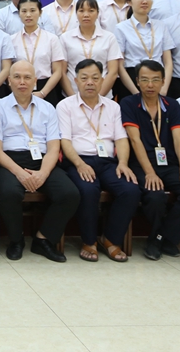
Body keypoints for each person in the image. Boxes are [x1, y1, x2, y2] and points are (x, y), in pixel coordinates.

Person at [0, 60, 78, 262]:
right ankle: (16, 240)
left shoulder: (48, 108)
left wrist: (43, 173)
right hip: (9, 161)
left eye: (27, 77)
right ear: (9, 80)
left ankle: (43, 239)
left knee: (69, 193)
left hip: (42, 161)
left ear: (35, 81)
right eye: (17, 77)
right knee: (9, 192)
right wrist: (19, 172)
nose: (22, 82)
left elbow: (53, 147)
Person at [121, 61, 180, 261]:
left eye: (155, 80)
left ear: (163, 81)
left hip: (169, 164)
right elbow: (135, 140)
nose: (150, 85)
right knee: (155, 195)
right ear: (137, 82)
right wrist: (149, 172)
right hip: (141, 164)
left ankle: (159, 238)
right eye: (145, 80)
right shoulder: (129, 103)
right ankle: (163, 239)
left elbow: (179, 139)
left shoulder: (172, 105)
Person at [58, 59, 140, 263]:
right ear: (76, 80)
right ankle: (89, 241)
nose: (90, 82)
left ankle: (110, 239)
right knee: (88, 190)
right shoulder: (65, 106)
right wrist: (79, 164)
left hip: (107, 162)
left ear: (102, 81)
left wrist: (123, 163)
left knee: (130, 189)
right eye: (84, 78)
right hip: (78, 161)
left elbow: (121, 139)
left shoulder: (113, 107)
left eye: (95, 78)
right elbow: (64, 141)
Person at [114, 0, 174, 99]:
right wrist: (136, 93)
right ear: (129, 2)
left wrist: (164, 88)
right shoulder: (121, 28)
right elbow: (119, 66)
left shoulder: (161, 26)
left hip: (158, 78)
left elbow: (168, 62)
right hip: (132, 79)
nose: (145, 1)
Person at [60, 0, 122, 99]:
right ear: (76, 13)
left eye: (91, 11)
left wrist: (98, 98)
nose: (86, 15)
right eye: (81, 11)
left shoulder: (109, 37)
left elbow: (113, 72)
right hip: (73, 95)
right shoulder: (65, 38)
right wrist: (73, 99)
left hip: (103, 96)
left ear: (98, 13)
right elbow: (62, 72)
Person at [10, 0, 66, 108]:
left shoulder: (52, 39)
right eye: (24, 11)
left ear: (40, 12)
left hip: (46, 88)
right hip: (20, 88)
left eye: (32, 10)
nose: (28, 15)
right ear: (19, 13)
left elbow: (57, 71)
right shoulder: (11, 40)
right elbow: (8, 69)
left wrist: (42, 93)